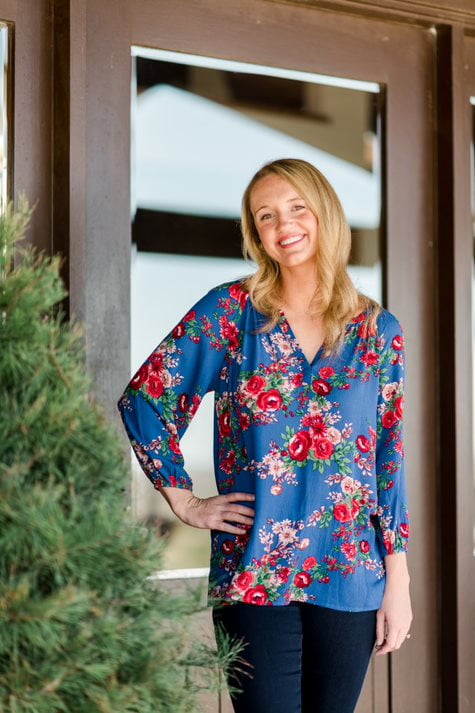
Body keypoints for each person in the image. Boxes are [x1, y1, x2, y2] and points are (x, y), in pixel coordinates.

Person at [117, 157, 413, 713]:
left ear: (324, 213)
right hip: (253, 571)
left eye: (297, 208)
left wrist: (398, 582)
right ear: (257, 234)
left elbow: (388, 462)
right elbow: (148, 398)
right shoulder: (230, 313)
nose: (284, 225)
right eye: (266, 216)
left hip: (350, 574)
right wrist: (184, 500)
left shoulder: (379, 332)